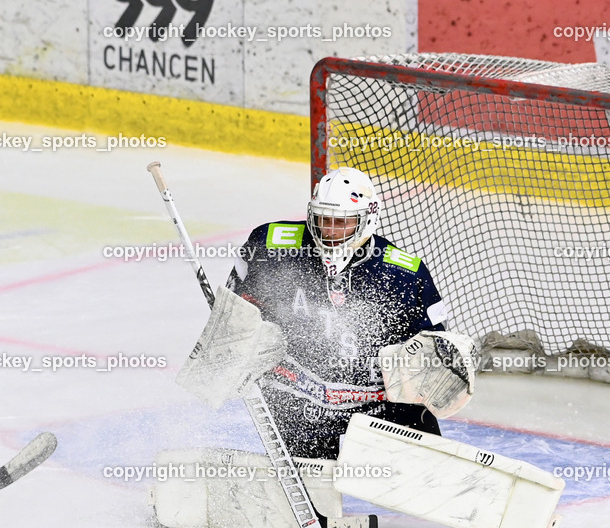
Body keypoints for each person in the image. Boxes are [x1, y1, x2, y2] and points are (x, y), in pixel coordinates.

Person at [180, 166, 476, 459]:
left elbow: (434, 347)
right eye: (323, 220)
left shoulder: (404, 273)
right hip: (297, 393)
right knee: (312, 495)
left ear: (367, 220)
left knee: (427, 469)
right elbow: (237, 307)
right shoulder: (270, 245)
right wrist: (234, 343)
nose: (330, 232)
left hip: (378, 398)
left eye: (342, 223)